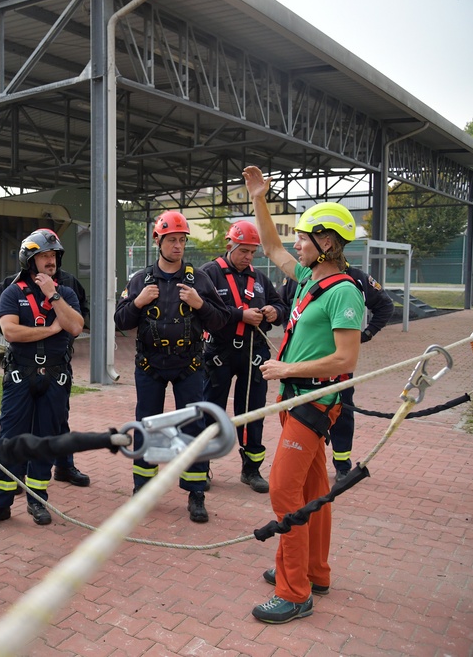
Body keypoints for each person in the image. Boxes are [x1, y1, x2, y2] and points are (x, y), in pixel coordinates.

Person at [243, 165, 364, 624]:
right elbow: (271, 245)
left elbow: (345, 360)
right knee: (314, 489)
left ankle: (295, 592)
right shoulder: (312, 280)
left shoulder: (344, 293)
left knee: (283, 492)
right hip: (297, 401)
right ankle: (315, 571)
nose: (296, 243)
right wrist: (259, 197)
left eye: (305, 238)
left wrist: (287, 368)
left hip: (313, 405)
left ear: (327, 244)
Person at [113, 211, 229, 522]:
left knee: (194, 427)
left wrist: (200, 304)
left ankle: (196, 492)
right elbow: (120, 320)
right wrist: (137, 302)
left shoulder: (198, 280)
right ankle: (143, 488)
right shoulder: (140, 280)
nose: (178, 246)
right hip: (150, 366)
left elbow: (220, 321)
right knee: (146, 426)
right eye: (172, 240)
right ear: (158, 241)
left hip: (189, 366)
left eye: (181, 240)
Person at [0, 228, 84, 530]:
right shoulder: (12, 292)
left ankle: (38, 499)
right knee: (9, 439)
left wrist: (53, 294)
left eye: (53, 255)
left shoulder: (67, 292)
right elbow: (11, 331)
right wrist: (50, 330)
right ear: (29, 259)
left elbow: (75, 326)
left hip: (56, 375)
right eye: (44, 256)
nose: (50, 261)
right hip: (20, 374)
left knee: (45, 439)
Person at [279, 261, 393, 482]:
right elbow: (282, 303)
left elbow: (385, 306)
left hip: (337, 365)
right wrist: (291, 331)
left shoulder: (356, 279)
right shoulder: (303, 276)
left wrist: (366, 334)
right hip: (302, 366)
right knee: (301, 414)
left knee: (342, 412)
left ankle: (342, 464)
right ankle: (309, 462)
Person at [200, 220, 287, 494]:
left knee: (252, 412)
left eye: (252, 252)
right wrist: (240, 315)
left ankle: (251, 469)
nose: (248, 257)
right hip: (219, 353)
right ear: (230, 246)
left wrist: (275, 311)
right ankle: (201, 467)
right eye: (243, 251)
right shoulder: (209, 274)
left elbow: (281, 303)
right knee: (211, 410)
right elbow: (205, 310)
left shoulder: (260, 279)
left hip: (253, 353)